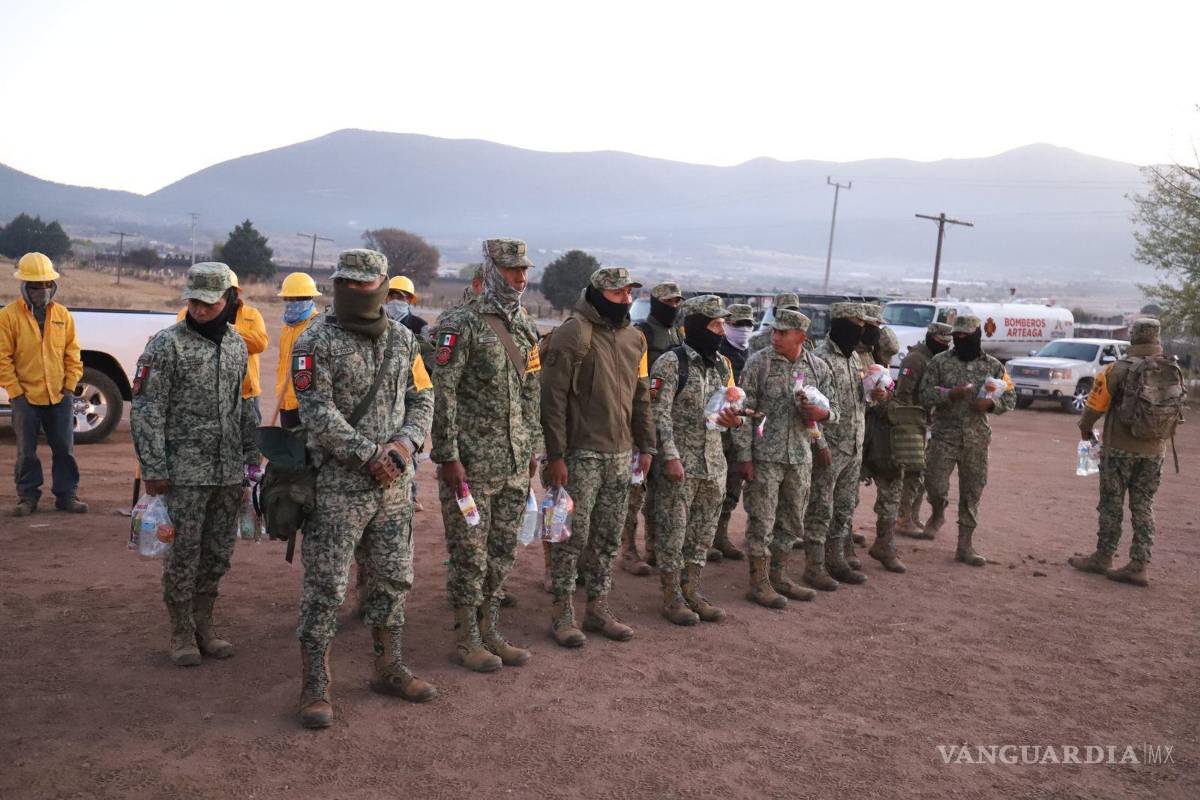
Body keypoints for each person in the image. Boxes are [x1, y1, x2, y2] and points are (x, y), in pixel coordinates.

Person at [291, 248, 435, 728]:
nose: (355, 291)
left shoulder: (403, 340)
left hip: (394, 489)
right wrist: (369, 454)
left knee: (393, 578)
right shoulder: (315, 340)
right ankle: (316, 684)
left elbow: (422, 397)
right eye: (346, 283)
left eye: (364, 283)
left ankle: (387, 666)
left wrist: (404, 445)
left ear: (380, 285)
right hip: (337, 489)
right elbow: (316, 411)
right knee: (326, 588)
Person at [130, 262, 260, 667]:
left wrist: (251, 461)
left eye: (210, 303)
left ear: (229, 301)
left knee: (218, 552)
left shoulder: (237, 344)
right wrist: (153, 467)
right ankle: (181, 631)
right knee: (183, 553)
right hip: (183, 473)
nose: (201, 310)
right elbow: (147, 409)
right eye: (195, 302)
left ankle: (205, 624)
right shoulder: (166, 345)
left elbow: (244, 406)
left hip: (226, 471)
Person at [431, 239, 542, 672]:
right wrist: (448, 455)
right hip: (471, 466)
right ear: (491, 269)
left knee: (501, 553)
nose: (520, 278)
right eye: (512, 270)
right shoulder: (461, 322)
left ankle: (491, 628)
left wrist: (533, 445)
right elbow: (444, 393)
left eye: (524, 270)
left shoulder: (526, 326)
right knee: (470, 555)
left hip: (514, 464)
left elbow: (533, 390)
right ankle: (466, 637)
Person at [540, 266, 654, 648]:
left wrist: (647, 445)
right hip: (579, 455)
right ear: (596, 293)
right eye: (617, 293)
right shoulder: (572, 333)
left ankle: (598, 608)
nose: (625, 299)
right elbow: (551, 400)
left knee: (607, 537)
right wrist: (555, 455)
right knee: (570, 538)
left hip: (620, 456)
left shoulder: (635, 339)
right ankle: (562, 614)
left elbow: (641, 397)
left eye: (629, 293)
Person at [735, 309, 837, 606]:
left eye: (783, 333)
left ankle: (779, 576)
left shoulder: (818, 367)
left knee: (791, 521)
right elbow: (744, 411)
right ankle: (759, 582)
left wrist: (823, 414)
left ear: (801, 337)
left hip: (800, 457)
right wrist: (745, 456)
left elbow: (835, 410)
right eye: (774, 331)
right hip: (766, 456)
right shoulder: (759, 364)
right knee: (762, 521)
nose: (775, 337)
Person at [647, 295, 739, 625]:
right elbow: (658, 415)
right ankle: (671, 597)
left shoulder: (723, 365)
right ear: (697, 325)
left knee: (701, 534)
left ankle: (692, 591)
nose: (721, 330)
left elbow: (731, 408)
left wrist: (735, 420)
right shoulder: (671, 364)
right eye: (715, 324)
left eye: (722, 324)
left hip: (714, 464)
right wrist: (669, 457)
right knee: (674, 532)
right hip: (680, 465)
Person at [1068, 319, 1181, 587]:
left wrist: (1085, 429)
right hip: (1155, 449)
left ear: (1134, 337)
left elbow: (1094, 409)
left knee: (1111, 503)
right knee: (1143, 504)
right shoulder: (1171, 368)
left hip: (1119, 449)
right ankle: (1139, 564)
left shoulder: (1116, 370)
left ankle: (1103, 556)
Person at [918, 315, 1016, 567]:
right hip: (944, 434)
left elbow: (1010, 398)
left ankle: (965, 546)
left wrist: (991, 404)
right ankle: (937, 512)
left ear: (976, 336)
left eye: (965, 336)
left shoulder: (994, 366)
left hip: (976, 437)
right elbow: (925, 394)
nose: (960, 340)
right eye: (957, 337)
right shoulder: (940, 362)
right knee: (934, 483)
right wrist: (950, 394)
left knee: (972, 491)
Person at [804, 302, 884, 588]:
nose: (860, 331)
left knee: (844, 507)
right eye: (855, 325)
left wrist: (875, 394)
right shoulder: (818, 359)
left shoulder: (852, 358)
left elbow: (857, 401)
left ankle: (836, 559)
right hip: (829, 447)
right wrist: (820, 443)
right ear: (839, 324)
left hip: (853, 445)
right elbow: (806, 406)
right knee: (820, 507)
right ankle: (814, 566)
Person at [1, 252, 86, 516]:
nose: (42, 290)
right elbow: (2, 358)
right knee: (26, 451)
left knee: (64, 449)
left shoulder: (62, 315)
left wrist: (69, 386)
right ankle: (27, 497)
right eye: (36, 286)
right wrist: (16, 392)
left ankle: (66, 496)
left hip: (60, 395)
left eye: (47, 285)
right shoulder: (8, 317)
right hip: (25, 396)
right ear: (24, 287)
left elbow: (72, 353)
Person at [619, 281, 684, 576]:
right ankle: (628, 550)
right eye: (668, 302)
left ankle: (655, 547)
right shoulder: (641, 331)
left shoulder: (676, 333)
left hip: (667, 418)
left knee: (661, 489)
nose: (673, 307)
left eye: (676, 303)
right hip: (642, 418)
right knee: (636, 488)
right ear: (656, 303)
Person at [175, 270, 268, 422]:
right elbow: (185, 341)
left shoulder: (252, 314)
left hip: (246, 393)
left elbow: (260, 344)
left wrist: (225, 331)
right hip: (206, 393)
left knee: (251, 439)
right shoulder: (188, 314)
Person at [894, 322, 953, 538]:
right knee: (911, 472)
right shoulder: (915, 359)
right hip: (912, 422)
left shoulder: (935, 359)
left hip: (926, 422)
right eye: (940, 342)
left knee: (920, 473)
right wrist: (910, 424)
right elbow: (904, 393)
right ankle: (903, 518)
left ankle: (912, 515)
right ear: (931, 338)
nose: (944, 346)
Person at [860, 325, 909, 573]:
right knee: (845, 495)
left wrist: (886, 399)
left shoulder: (883, 369)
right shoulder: (852, 360)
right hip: (858, 437)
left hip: (881, 439)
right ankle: (842, 544)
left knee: (892, 489)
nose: (886, 359)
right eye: (885, 353)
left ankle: (884, 544)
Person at [711, 303, 756, 561]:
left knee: (732, 488)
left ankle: (721, 535)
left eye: (748, 325)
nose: (744, 330)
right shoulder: (718, 353)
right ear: (727, 325)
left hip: (741, 431)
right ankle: (704, 539)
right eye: (738, 325)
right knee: (712, 490)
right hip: (719, 431)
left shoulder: (751, 355)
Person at [274, 272, 321, 430]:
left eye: (294, 299)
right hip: (285, 402)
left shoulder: (318, 327)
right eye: (287, 299)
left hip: (307, 406)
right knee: (288, 452)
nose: (289, 303)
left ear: (308, 298)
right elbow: (282, 362)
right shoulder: (287, 328)